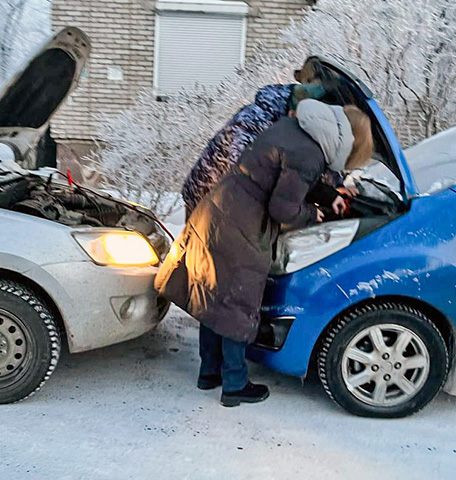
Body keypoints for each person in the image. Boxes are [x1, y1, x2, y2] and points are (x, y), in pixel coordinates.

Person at [155, 99, 373, 407]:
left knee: (215, 296)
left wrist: (328, 195)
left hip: (218, 212)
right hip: (242, 225)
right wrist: (313, 214)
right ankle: (234, 384)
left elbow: (286, 179)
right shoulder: (310, 154)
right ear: (348, 144)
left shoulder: (294, 128)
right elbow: (283, 207)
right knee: (236, 304)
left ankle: (210, 372)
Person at [181, 57, 347, 218]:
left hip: (231, 205)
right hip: (207, 201)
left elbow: (310, 157)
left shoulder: (292, 117)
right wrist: (305, 208)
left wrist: (336, 186)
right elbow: (260, 174)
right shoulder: (256, 122)